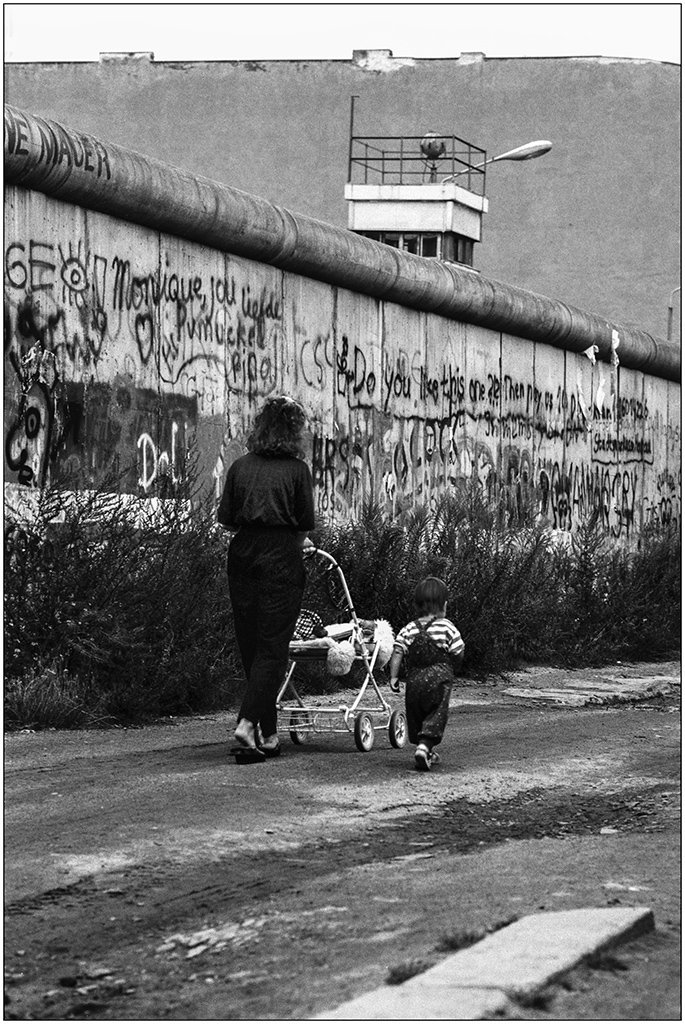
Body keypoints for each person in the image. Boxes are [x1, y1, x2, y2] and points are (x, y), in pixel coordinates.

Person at [218, 395, 315, 763]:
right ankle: (246, 723)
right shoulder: (296, 471)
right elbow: (304, 523)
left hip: (242, 555)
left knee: (251, 645)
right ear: (294, 431)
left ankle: (269, 735)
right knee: (273, 647)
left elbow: (226, 519)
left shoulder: (240, 467)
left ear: (260, 426)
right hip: (281, 557)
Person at [388, 577, 465, 771]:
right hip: (439, 678)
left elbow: (397, 650)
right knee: (436, 712)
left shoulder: (409, 628)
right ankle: (424, 747)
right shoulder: (447, 626)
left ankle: (425, 749)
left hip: (414, 679)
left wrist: (393, 676)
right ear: (443, 605)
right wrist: (453, 665)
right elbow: (458, 650)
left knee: (417, 712)